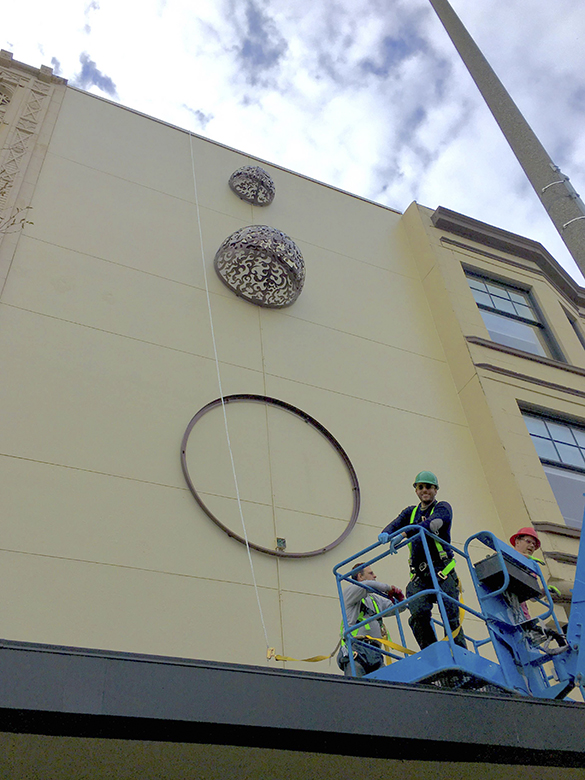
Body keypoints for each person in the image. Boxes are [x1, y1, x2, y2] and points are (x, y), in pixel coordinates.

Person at [378, 471, 467, 651]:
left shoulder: (442, 508)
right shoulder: (411, 512)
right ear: (416, 490)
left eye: (428, 487)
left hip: (442, 571)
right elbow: (396, 523)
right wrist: (386, 533)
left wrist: (404, 534)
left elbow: (432, 525)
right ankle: (432, 652)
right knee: (417, 613)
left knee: (450, 615)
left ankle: (459, 652)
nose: (424, 490)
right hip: (420, 575)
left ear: (435, 490)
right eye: (421, 487)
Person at [337, 563, 404, 677]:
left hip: (375, 651)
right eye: (371, 573)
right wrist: (389, 589)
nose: (375, 576)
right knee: (356, 685)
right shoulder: (350, 593)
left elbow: (399, 608)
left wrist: (400, 599)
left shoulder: (375, 600)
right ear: (360, 576)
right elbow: (368, 584)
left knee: (383, 685)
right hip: (357, 649)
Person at [509, 527, 566, 650]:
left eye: (534, 545)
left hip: (522, 615)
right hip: (506, 611)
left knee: (529, 647)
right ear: (517, 541)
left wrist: (545, 591)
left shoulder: (531, 568)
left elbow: (533, 598)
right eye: (528, 541)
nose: (531, 546)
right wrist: (525, 558)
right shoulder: (505, 555)